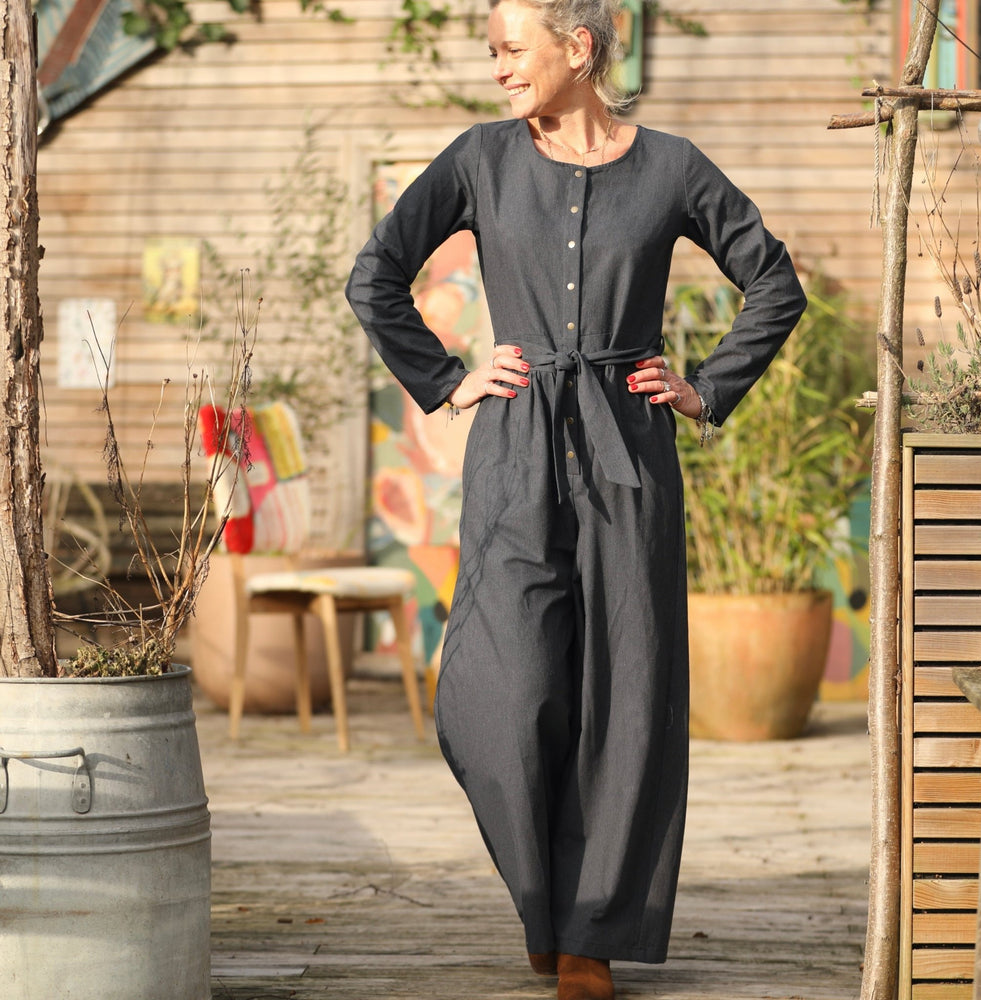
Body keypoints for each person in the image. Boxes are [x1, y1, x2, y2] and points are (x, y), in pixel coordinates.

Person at [345, 2, 807, 997]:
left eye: (513, 49)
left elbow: (774, 283)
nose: (499, 68)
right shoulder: (479, 159)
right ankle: (541, 900)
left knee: (625, 690)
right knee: (502, 690)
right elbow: (374, 274)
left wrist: (706, 387)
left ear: (579, 47)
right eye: (494, 52)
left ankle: (588, 932)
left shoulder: (673, 168)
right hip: (513, 450)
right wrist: (448, 378)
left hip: (629, 453)